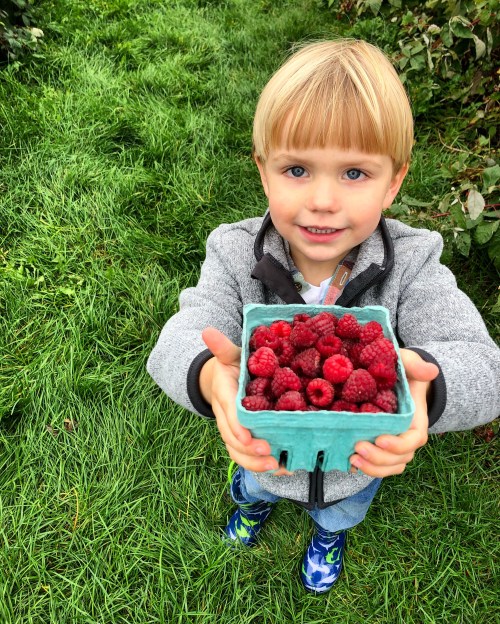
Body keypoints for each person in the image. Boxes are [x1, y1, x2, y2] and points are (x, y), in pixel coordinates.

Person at [147, 39, 500, 594]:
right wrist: (210, 376)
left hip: (354, 470)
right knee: (255, 485)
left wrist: (426, 389)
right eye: (297, 169)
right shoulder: (235, 252)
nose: (323, 200)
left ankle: (328, 536)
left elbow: (485, 365)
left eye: (355, 173)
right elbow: (176, 339)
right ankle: (251, 505)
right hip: (265, 457)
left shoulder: (413, 263)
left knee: (340, 511)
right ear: (263, 173)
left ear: (394, 182)